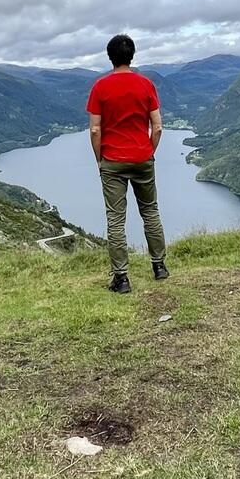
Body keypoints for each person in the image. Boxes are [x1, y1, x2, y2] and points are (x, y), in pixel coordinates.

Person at [86, 33, 168, 293]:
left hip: (113, 161)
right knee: (150, 212)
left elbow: (95, 130)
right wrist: (148, 151)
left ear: (110, 57)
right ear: (132, 55)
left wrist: (100, 160)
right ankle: (159, 267)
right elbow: (157, 127)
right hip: (143, 158)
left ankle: (121, 279)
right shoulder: (146, 85)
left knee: (116, 219)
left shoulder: (100, 86)